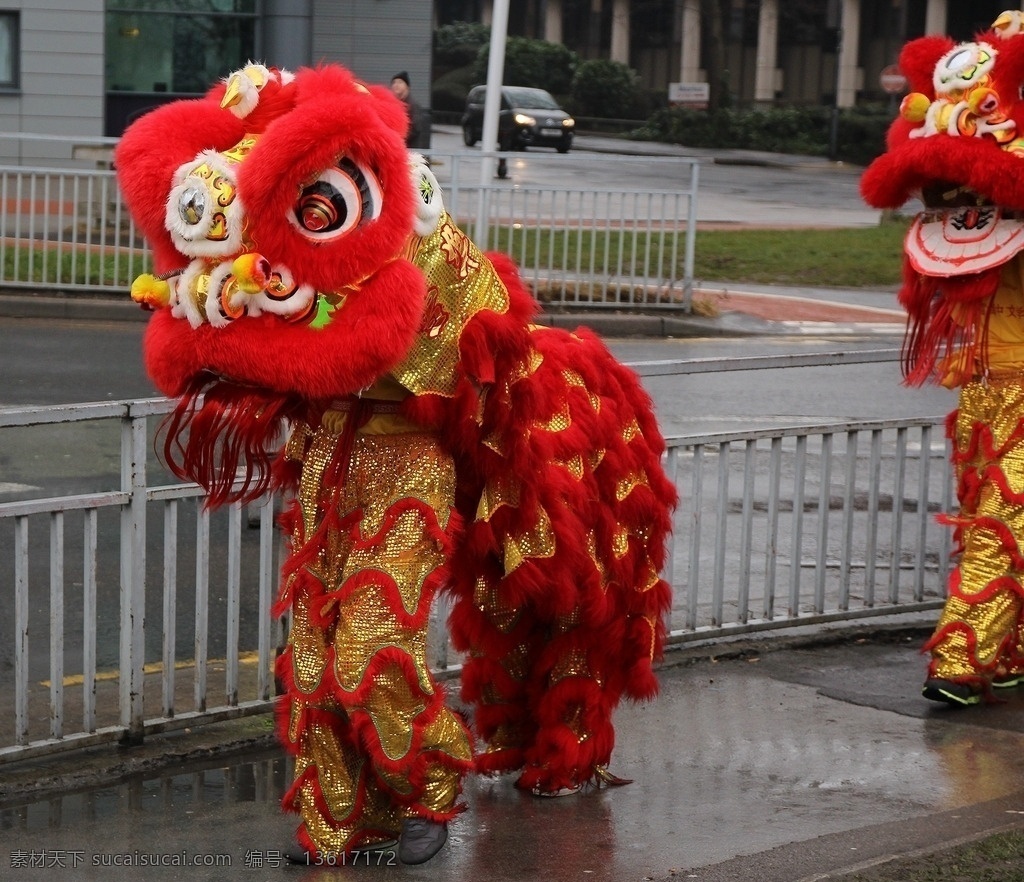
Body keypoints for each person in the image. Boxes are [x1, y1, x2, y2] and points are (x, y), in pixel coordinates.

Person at [861, 10, 1024, 707]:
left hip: (1008, 387)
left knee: (1002, 521)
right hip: (987, 390)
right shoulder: (971, 230)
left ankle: (973, 655)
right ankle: (985, 654)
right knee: (992, 517)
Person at [391, 71, 424, 149]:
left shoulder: (413, 106)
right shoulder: (392, 105)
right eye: (394, 83)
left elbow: (415, 128)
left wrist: (398, 138)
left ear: (407, 86)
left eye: (400, 82)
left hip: (410, 151)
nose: (396, 85)